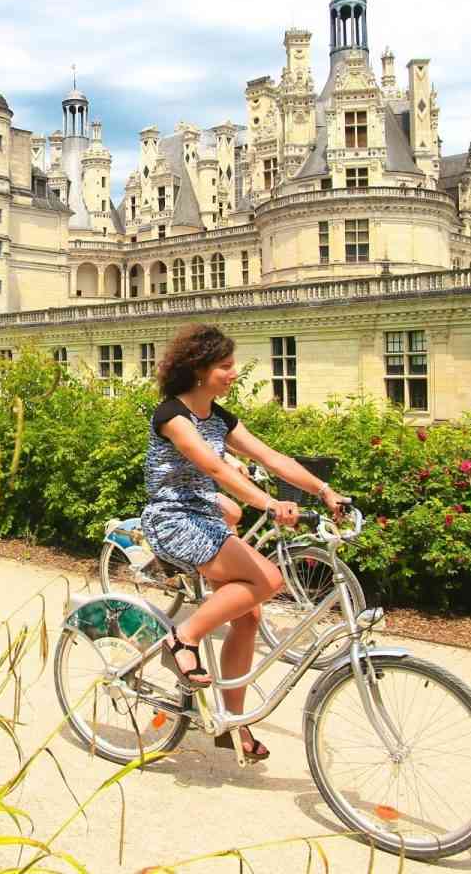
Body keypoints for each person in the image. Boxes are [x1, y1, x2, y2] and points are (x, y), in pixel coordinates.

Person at [142, 323, 348, 761]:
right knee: (268, 579)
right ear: (199, 369)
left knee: (249, 616)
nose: (233, 373)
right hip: (174, 519)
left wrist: (323, 491)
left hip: (209, 517)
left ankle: (233, 726)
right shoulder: (172, 416)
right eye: (225, 366)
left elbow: (271, 458)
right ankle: (182, 640)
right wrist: (268, 505)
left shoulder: (219, 418)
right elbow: (218, 472)